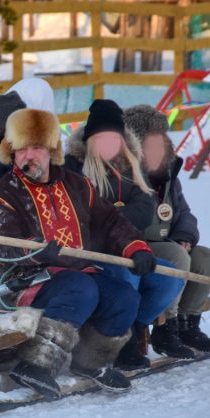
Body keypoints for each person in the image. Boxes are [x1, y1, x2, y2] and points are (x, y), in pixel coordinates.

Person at [0, 107, 158, 397]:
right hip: (21, 278)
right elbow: (1, 244)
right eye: (22, 149)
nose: (29, 156)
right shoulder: (2, 195)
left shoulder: (76, 184)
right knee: (81, 288)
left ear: (51, 150)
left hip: (76, 274)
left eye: (37, 148)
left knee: (124, 296)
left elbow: (110, 222)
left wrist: (136, 247)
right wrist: (36, 250)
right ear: (12, 152)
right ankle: (36, 365)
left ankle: (91, 362)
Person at [64, 99, 189, 370]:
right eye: (102, 137)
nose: (109, 143)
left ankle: (132, 328)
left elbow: (145, 206)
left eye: (114, 137)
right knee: (126, 275)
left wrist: (115, 221)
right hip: (90, 253)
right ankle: (121, 343)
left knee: (171, 278)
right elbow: (79, 213)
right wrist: (110, 221)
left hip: (128, 246)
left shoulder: (131, 167)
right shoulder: (73, 168)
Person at [124, 104, 210, 353]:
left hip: (170, 242)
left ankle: (187, 324)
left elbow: (185, 214)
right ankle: (165, 328)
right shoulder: (125, 176)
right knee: (177, 257)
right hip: (139, 246)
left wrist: (184, 236)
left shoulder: (169, 175)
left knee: (205, 258)